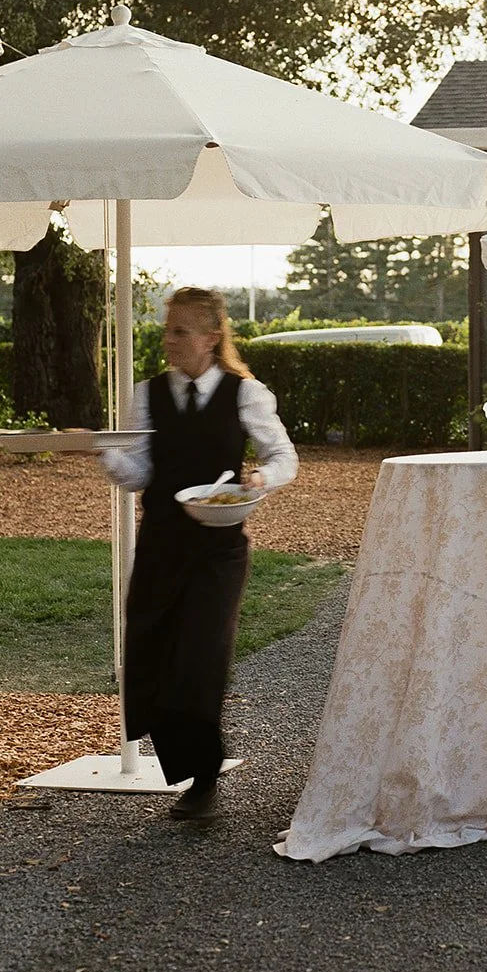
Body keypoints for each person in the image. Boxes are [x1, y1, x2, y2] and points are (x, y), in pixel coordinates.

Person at [101, 286, 297, 822]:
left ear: (211, 338)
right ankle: (190, 765)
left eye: (180, 331)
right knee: (152, 652)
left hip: (219, 548)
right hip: (162, 543)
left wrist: (261, 477)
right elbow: (140, 472)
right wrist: (108, 455)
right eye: (167, 330)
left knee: (200, 657)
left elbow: (284, 457)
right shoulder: (148, 395)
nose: (168, 341)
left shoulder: (246, 394)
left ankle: (204, 778)